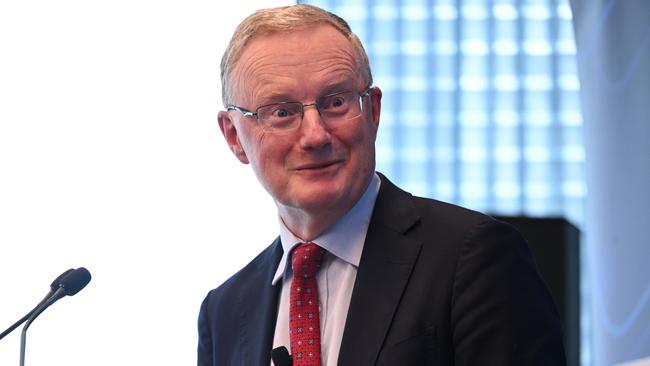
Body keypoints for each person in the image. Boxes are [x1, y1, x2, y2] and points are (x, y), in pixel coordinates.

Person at [198, 4, 566, 366]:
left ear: (373, 111)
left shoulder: (476, 258)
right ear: (233, 136)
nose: (315, 135)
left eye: (337, 102)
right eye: (281, 112)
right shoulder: (225, 311)